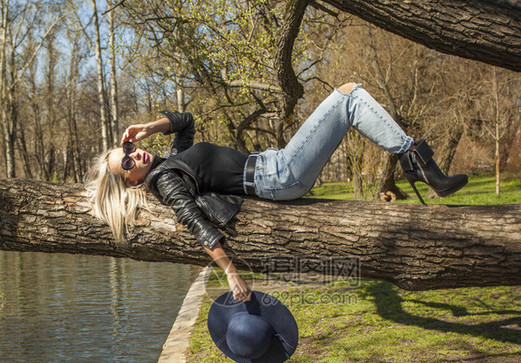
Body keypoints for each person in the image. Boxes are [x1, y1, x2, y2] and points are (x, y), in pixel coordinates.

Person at [87, 82, 467, 302]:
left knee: (349, 95)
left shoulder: (171, 160)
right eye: (127, 163)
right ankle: (416, 160)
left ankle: (416, 161)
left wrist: (148, 127)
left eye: (127, 150)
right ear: (133, 181)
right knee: (348, 95)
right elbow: (194, 221)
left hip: (273, 164)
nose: (133, 155)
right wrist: (231, 273)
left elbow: (186, 121)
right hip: (277, 175)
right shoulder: (164, 180)